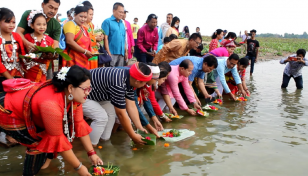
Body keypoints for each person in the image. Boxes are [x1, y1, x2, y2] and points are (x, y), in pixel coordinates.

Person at [0, 65, 103, 176]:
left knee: (54, 134)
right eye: (85, 89)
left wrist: (91, 153)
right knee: (37, 144)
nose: (88, 93)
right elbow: (58, 139)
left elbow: (79, 124)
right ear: (70, 88)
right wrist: (79, 168)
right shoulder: (51, 104)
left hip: (26, 107)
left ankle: (44, 167)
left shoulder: (73, 97)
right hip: (8, 111)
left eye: (89, 88)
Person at [82, 62, 152, 146]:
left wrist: (139, 128)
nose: (145, 85)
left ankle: (103, 142)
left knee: (111, 115)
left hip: (99, 95)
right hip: (82, 94)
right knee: (101, 117)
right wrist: (133, 136)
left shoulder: (129, 79)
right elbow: (121, 114)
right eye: (144, 83)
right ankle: (90, 147)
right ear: (137, 81)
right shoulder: (118, 83)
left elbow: (132, 106)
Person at [16, 0, 61, 79]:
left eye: (56, 9)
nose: (53, 11)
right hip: (27, 65)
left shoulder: (56, 25)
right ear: (43, 5)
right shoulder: (29, 15)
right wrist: (27, 43)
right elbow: (18, 32)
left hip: (45, 65)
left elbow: (55, 44)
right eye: (50, 7)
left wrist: (54, 54)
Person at [134, 62, 172, 134]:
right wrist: (148, 125)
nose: (155, 82)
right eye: (155, 80)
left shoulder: (146, 83)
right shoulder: (137, 82)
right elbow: (135, 106)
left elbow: (146, 99)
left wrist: (154, 119)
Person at [23, 12, 57, 83]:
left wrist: (50, 56)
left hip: (42, 72)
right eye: (38, 24)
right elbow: (22, 53)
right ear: (32, 25)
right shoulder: (27, 38)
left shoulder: (50, 40)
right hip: (28, 72)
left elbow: (52, 56)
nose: (42, 27)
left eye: (44, 24)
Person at [0, 8, 26, 91]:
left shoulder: (17, 36)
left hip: (18, 74)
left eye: (13, 22)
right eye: (7, 22)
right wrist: (10, 78)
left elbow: (22, 53)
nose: (11, 25)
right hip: (2, 77)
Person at [102, 2, 126, 67]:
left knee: (119, 73)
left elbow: (124, 39)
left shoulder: (122, 23)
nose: (122, 14)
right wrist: (108, 51)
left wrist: (125, 51)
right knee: (110, 73)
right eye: (120, 12)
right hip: (112, 53)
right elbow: (105, 38)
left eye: (123, 12)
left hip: (121, 53)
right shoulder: (107, 22)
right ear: (113, 11)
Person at [82, 1, 104, 69]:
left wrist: (97, 41)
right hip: (86, 53)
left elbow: (92, 36)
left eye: (92, 15)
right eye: (90, 14)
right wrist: (95, 39)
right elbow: (83, 40)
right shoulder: (81, 26)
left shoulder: (91, 25)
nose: (91, 17)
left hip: (94, 53)